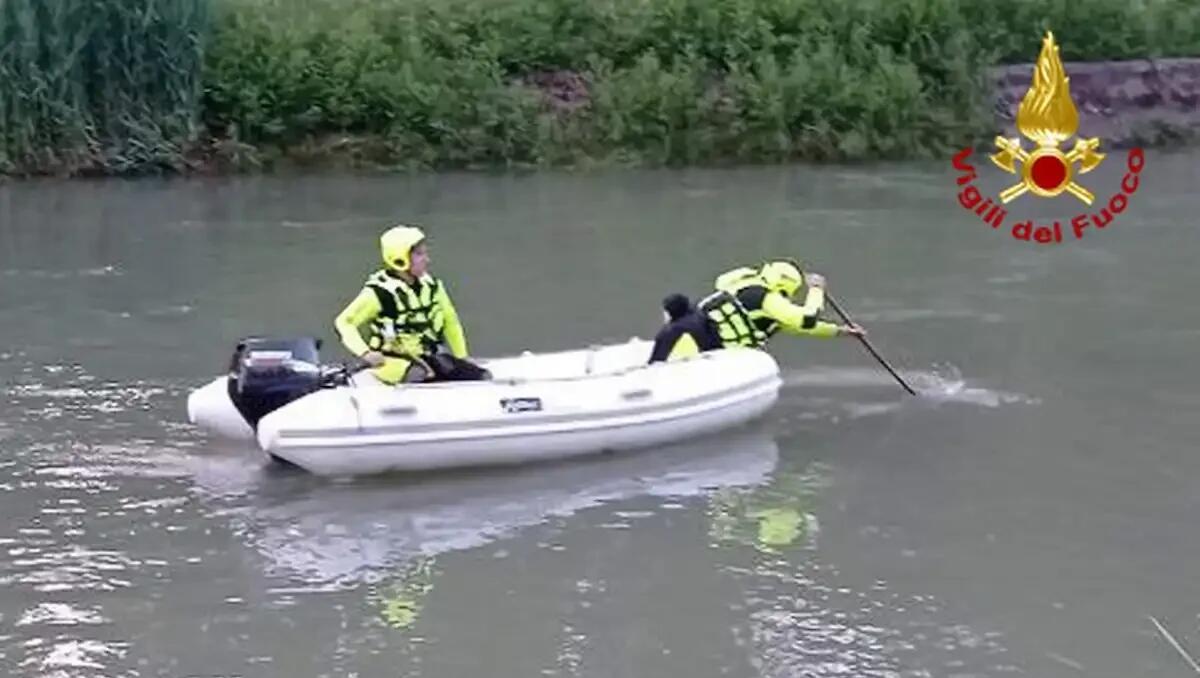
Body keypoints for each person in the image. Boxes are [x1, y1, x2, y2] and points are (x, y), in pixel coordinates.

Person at [334, 224, 490, 384]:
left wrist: (461, 357)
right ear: (400, 259)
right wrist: (365, 353)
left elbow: (450, 322)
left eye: (425, 253)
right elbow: (344, 322)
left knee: (479, 376)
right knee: (420, 375)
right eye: (419, 254)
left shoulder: (432, 286)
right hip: (393, 362)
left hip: (428, 357)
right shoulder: (379, 293)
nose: (427, 260)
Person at [648, 259, 865, 363]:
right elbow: (806, 320)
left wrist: (838, 331)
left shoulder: (740, 282)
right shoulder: (768, 300)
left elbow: (793, 326)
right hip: (709, 348)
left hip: (685, 332)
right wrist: (816, 290)